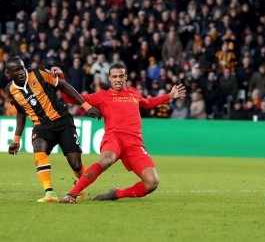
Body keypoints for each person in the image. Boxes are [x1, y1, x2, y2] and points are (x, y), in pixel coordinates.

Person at [57, 63, 186, 203]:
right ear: (109, 79)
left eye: (120, 76)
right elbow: (69, 98)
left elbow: (147, 103)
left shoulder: (134, 93)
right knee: (106, 160)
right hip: (114, 138)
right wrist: (61, 78)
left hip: (135, 143)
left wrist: (170, 96)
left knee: (152, 182)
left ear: (125, 77)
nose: (118, 79)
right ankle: (72, 195)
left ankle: (116, 194)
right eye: (114, 77)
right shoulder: (102, 96)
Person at [4, 56, 102, 203]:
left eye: (22, 68)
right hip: (41, 126)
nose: (21, 72)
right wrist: (16, 140)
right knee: (38, 146)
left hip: (62, 121)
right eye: (16, 70)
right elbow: (20, 112)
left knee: (75, 164)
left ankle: (81, 187)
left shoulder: (39, 74)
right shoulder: (10, 91)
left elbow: (64, 86)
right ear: (8, 73)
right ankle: (49, 193)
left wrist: (86, 106)